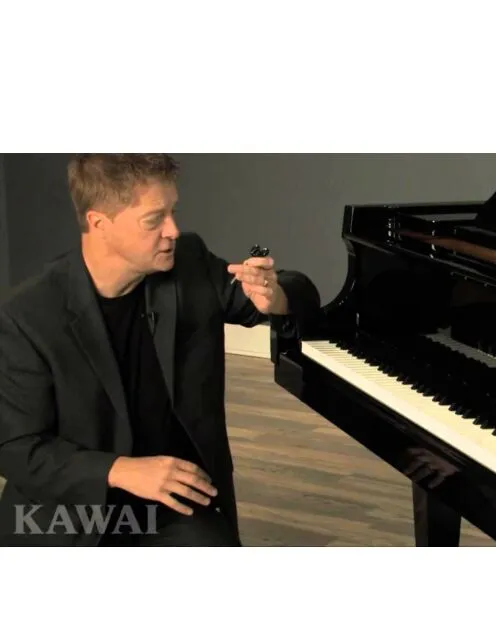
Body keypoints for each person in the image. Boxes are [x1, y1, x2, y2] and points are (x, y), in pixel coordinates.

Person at [0, 154, 320, 546]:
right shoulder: (26, 316)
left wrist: (275, 295)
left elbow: (288, 292)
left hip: (172, 502)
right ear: (99, 223)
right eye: (154, 219)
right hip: (69, 512)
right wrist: (120, 470)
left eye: (173, 212)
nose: (173, 230)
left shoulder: (189, 261)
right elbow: (16, 449)